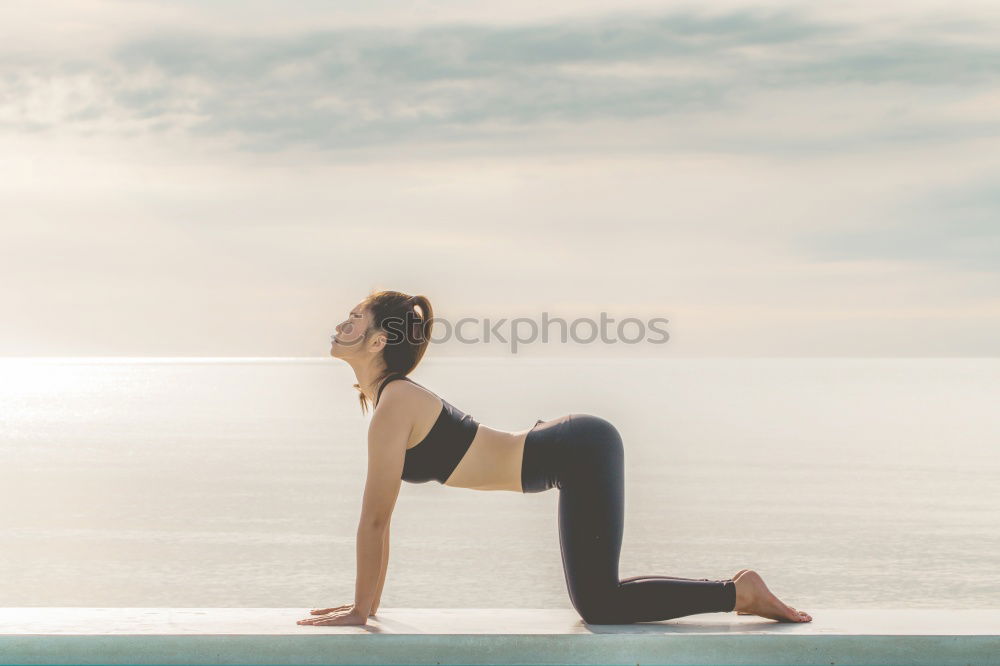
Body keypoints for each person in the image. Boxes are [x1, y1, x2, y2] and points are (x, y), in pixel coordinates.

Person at [296, 290, 812, 627]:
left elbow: (376, 520)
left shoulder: (395, 404)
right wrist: (367, 608)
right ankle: (736, 592)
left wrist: (361, 611)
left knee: (599, 606)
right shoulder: (390, 402)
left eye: (354, 317)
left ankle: (738, 592)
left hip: (577, 450)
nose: (341, 322)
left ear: (379, 339)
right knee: (598, 599)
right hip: (566, 451)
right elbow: (379, 524)